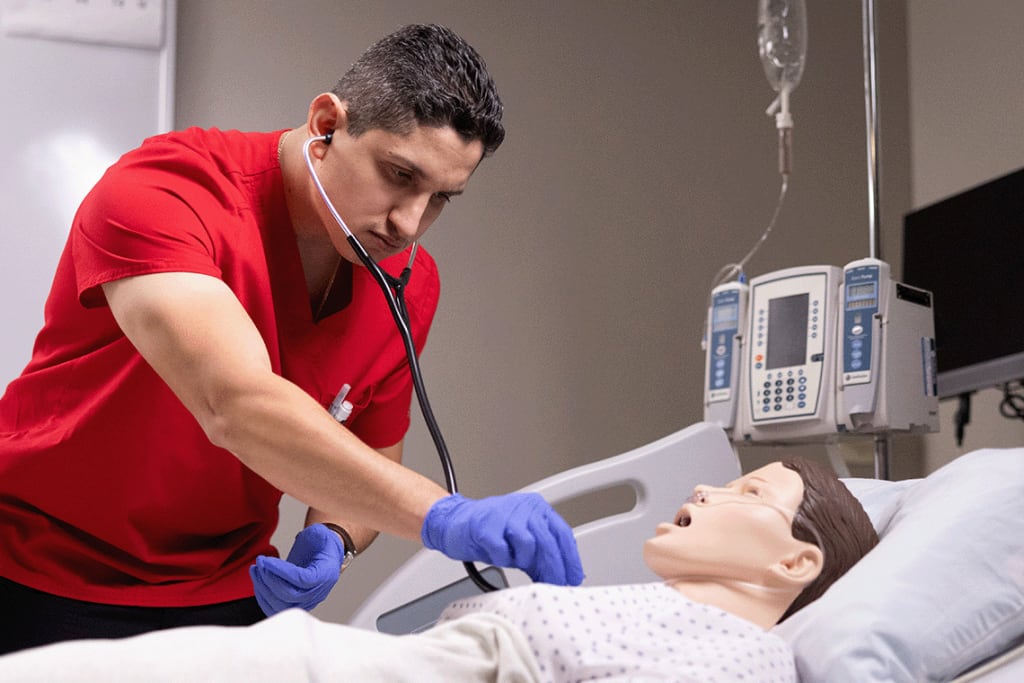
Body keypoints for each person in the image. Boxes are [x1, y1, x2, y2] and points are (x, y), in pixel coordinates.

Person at [0, 23, 583, 655]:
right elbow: (235, 403)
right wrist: (444, 517)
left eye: (441, 198)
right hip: (39, 572)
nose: (409, 223)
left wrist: (335, 533)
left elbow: (372, 451)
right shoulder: (162, 193)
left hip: (225, 587)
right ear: (327, 125)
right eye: (399, 175)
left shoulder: (407, 285)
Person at [0, 457, 880, 682]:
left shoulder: (747, 658)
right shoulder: (672, 613)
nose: (705, 486)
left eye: (747, 488)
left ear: (796, 558)